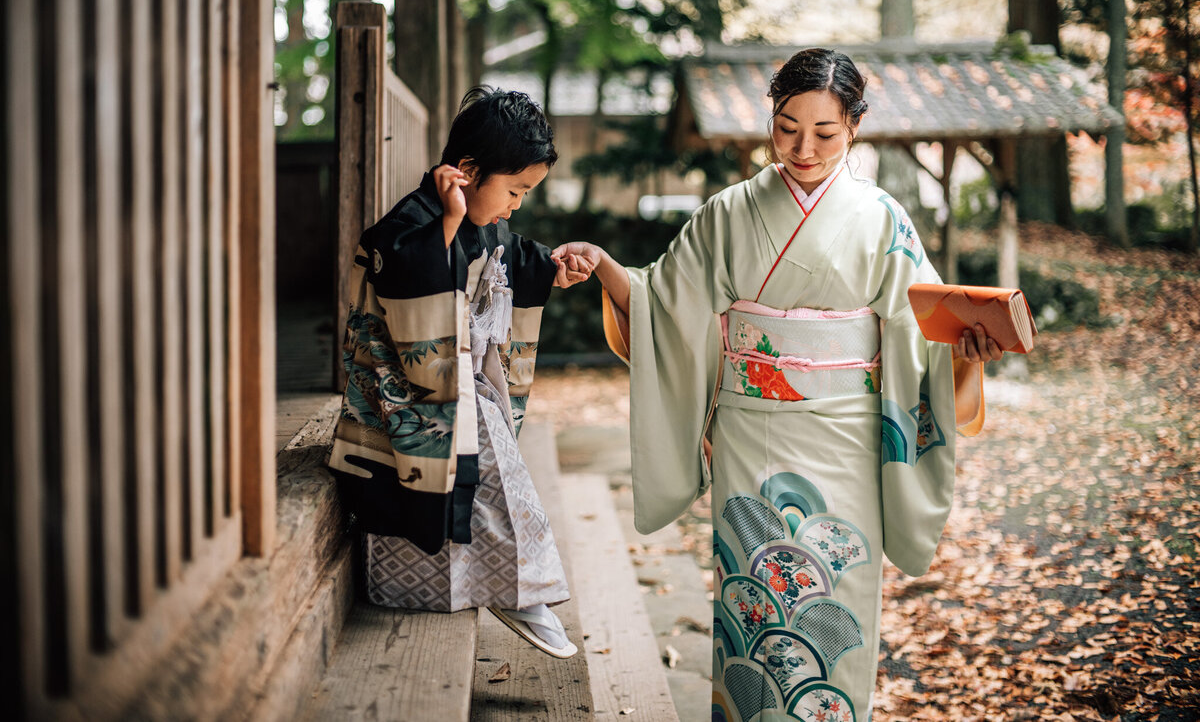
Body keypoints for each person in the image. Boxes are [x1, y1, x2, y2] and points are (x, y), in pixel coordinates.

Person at [553, 48, 1002, 719]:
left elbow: (919, 335)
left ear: (854, 126)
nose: (804, 147)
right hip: (749, 434)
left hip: (847, 438)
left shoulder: (883, 220)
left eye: (825, 132)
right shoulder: (729, 213)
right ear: (771, 118)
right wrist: (608, 268)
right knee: (753, 595)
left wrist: (964, 354)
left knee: (837, 594)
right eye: (788, 127)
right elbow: (664, 301)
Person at [326, 86, 593, 659]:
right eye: (515, 190)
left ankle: (516, 586)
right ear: (468, 171)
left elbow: (512, 255)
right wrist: (444, 228)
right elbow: (411, 314)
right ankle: (520, 589)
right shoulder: (407, 227)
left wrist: (552, 269)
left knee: (490, 446)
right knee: (480, 443)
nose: (516, 205)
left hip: (455, 387)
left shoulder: (477, 220)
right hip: (397, 398)